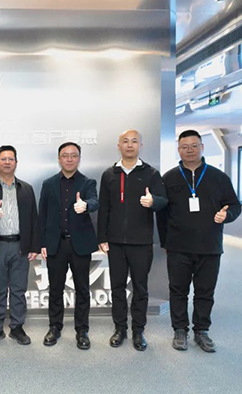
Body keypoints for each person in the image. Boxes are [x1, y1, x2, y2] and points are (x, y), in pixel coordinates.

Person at [157, 129, 241, 353]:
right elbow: (162, 214)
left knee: (205, 292)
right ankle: (180, 330)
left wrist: (227, 215)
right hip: (178, 247)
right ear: (178, 150)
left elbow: (234, 205)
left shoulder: (218, 177)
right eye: (185, 147)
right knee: (178, 290)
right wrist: (165, 242)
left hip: (209, 246)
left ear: (202, 148)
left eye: (194, 146)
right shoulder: (169, 178)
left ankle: (202, 331)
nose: (190, 150)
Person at [97, 130, 168, 351]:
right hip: (116, 243)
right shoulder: (109, 174)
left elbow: (164, 201)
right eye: (125, 141)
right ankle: (120, 328)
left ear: (141, 146)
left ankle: (138, 330)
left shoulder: (151, 173)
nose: (130, 145)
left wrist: (153, 201)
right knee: (117, 288)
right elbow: (104, 208)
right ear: (119, 146)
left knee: (140, 288)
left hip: (141, 242)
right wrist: (102, 237)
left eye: (134, 141)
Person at [0, 145, 39, 346]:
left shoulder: (26, 188)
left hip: (21, 245)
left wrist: (34, 246)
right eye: (3, 159)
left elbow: (34, 218)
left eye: (11, 159)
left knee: (19, 290)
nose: (7, 162)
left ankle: (17, 327)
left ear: (16, 163)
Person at [39, 142, 99, 350]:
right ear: (59, 159)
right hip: (56, 244)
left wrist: (86, 205)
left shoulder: (88, 182)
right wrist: (42, 243)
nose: (70, 159)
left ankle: (82, 330)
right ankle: (54, 327)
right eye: (65, 155)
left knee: (82, 289)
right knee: (55, 288)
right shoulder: (48, 184)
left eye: (74, 155)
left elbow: (95, 201)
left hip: (80, 244)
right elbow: (42, 214)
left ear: (79, 159)